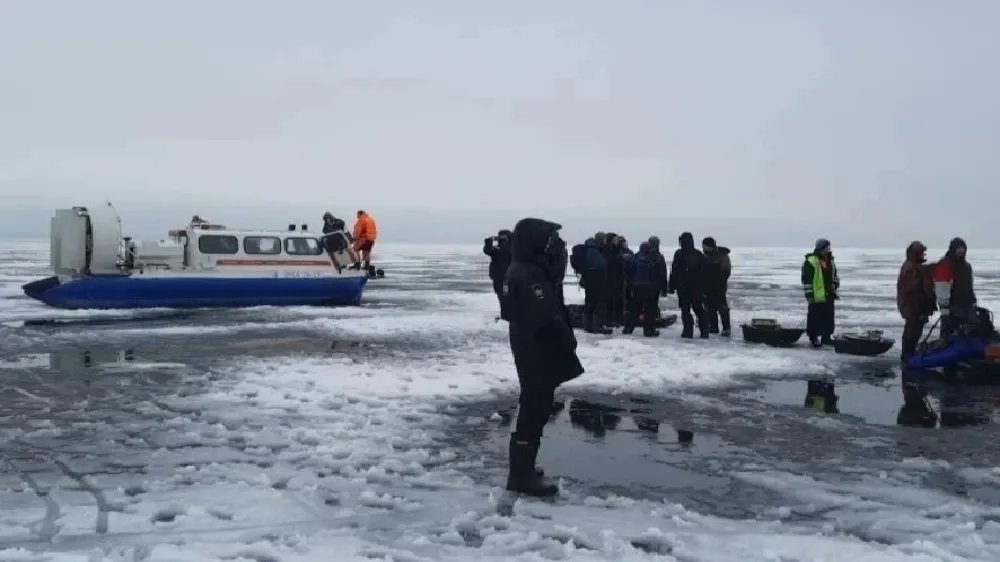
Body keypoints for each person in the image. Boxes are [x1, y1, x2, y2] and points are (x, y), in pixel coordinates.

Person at [501, 217, 583, 497]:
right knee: (534, 407)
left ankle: (524, 467)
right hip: (535, 347)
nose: (552, 244)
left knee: (537, 404)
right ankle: (520, 475)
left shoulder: (532, 268)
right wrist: (564, 337)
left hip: (535, 346)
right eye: (548, 239)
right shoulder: (525, 273)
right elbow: (542, 316)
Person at [896, 241, 936, 361]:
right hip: (914, 310)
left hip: (914, 309)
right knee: (911, 334)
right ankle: (908, 358)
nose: (923, 255)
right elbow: (914, 294)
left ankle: (909, 356)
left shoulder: (915, 267)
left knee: (913, 333)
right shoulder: (911, 269)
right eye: (921, 253)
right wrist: (921, 311)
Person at [933, 237, 977, 337]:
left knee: (968, 334)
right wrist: (944, 308)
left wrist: (973, 300)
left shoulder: (966, 266)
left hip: (967, 306)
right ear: (953, 249)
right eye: (959, 248)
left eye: (963, 248)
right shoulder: (945, 265)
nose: (962, 251)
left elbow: (969, 285)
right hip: (952, 308)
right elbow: (941, 287)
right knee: (948, 337)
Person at [669, 232, 709, 339]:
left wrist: (671, 286)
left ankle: (688, 331)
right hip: (696, 287)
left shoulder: (679, 254)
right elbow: (704, 272)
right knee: (699, 309)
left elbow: (674, 271)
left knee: (685, 310)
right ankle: (704, 331)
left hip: (683, 287)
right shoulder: (698, 254)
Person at [802, 238, 839, 347]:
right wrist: (809, 295)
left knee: (828, 317)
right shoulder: (811, 262)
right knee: (814, 317)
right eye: (826, 247)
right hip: (816, 296)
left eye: (829, 247)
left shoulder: (831, 261)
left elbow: (835, 277)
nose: (828, 249)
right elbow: (807, 280)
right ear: (820, 248)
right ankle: (813, 338)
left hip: (829, 295)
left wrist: (835, 285)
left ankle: (826, 337)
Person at [623, 242, 661, 337]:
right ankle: (649, 331)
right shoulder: (654, 258)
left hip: (637, 287)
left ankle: (628, 329)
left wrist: (631, 284)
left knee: (634, 309)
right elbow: (658, 274)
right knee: (650, 310)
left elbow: (629, 272)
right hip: (650, 288)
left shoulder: (635, 258)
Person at [581, 234, 612, 334]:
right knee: (598, 304)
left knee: (589, 303)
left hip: (589, 280)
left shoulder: (590, 249)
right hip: (596, 280)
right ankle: (597, 326)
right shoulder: (594, 250)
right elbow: (599, 265)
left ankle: (588, 326)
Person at [702, 237, 732, 337]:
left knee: (722, 308)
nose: (704, 248)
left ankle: (726, 328)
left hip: (719, 287)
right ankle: (713, 327)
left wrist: (716, 281)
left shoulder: (722, 256)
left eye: (705, 246)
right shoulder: (704, 256)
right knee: (710, 308)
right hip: (707, 287)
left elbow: (726, 272)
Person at [483, 230, 513, 308]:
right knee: (502, 296)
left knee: (507, 296)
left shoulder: (512, 249)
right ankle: (505, 313)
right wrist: (488, 242)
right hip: (498, 278)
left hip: (507, 278)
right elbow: (487, 251)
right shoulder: (496, 250)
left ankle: (508, 313)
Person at [605, 234, 626, 327]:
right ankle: (609, 321)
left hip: (619, 279)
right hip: (609, 279)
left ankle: (619, 320)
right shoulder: (607, 251)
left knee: (619, 301)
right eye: (615, 240)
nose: (617, 241)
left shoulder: (620, 250)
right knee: (609, 301)